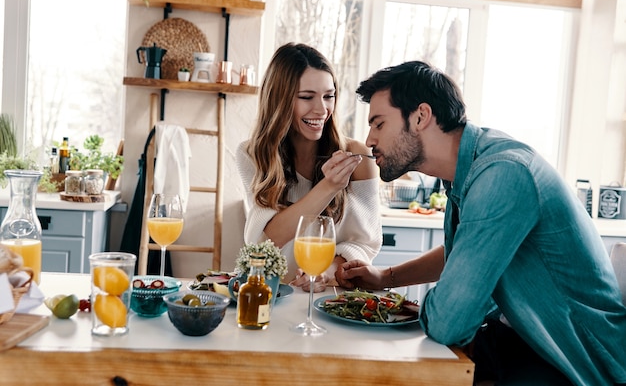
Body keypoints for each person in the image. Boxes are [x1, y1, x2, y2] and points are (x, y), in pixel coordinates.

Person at [335, 60, 626, 386]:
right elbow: (464, 251)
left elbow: (450, 323)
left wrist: (435, 304)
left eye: (378, 124)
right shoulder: (469, 170)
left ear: (420, 117)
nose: (369, 139)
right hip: (522, 337)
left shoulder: (503, 174)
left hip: (573, 359)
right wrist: (384, 277)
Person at [237, 43, 382, 292]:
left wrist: (324, 273)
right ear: (279, 100)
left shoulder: (357, 157)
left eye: (329, 96)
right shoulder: (253, 154)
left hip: (330, 296)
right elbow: (266, 241)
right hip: (272, 295)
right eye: (306, 97)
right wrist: (328, 187)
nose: (321, 109)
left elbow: (365, 242)